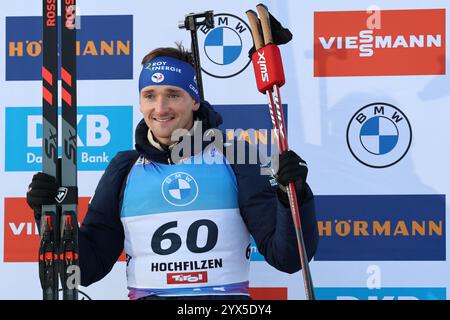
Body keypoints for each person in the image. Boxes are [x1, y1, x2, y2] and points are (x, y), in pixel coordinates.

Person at [26, 44, 319, 300]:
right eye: (149, 95)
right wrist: (51, 213)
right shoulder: (125, 168)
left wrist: (292, 196)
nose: (160, 107)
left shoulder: (235, 157)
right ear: (140, 102)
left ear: (194, 101)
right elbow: (87, 269)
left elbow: (289, 258)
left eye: (173, 95)